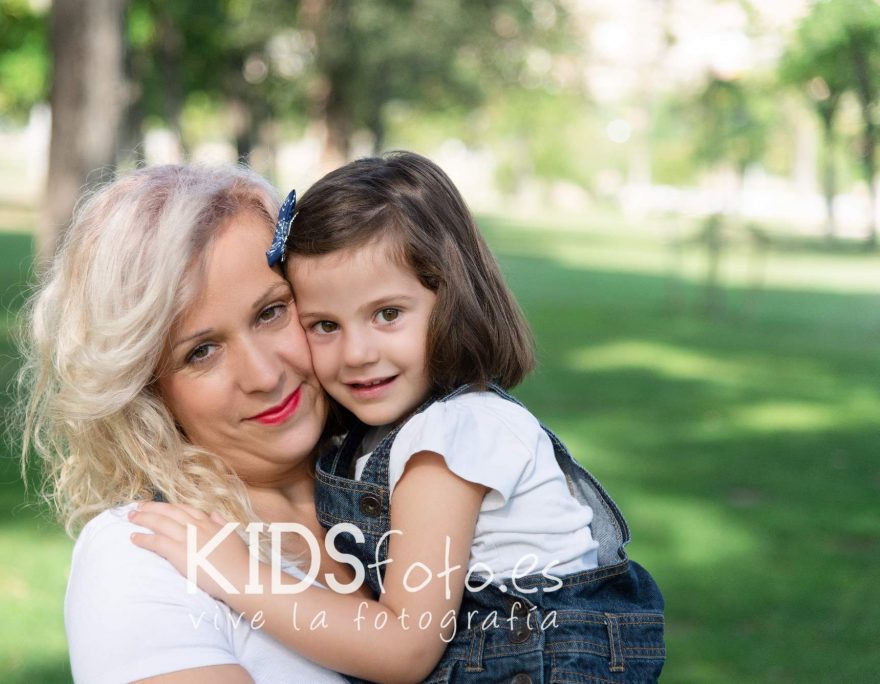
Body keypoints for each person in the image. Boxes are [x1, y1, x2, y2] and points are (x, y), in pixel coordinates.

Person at [131, 152, 666, 683]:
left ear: (451, 299)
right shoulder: (383, 440)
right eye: (323, 324)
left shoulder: (453, 438)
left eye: (387, 314)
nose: (358, 352)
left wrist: (234, 572)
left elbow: (402, 649)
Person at [14, 164, 365, 683]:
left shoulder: (409, 471)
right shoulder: (144, 558)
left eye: (270, 312)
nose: (264, 375)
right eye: (201, 351)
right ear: (145, 388)